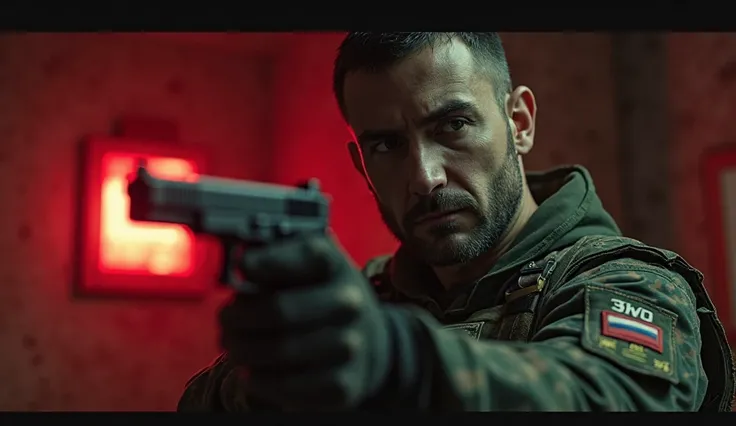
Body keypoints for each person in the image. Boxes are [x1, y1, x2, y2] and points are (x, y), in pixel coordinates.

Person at [176, 32, 734, 411]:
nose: (425, 177)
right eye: (388, 145)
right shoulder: (369, 299)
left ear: (519, 122)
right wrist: (271, 367)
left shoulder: (626, 283)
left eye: (453, 126)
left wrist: (397, 361)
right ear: (362, 167)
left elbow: (602, 396)